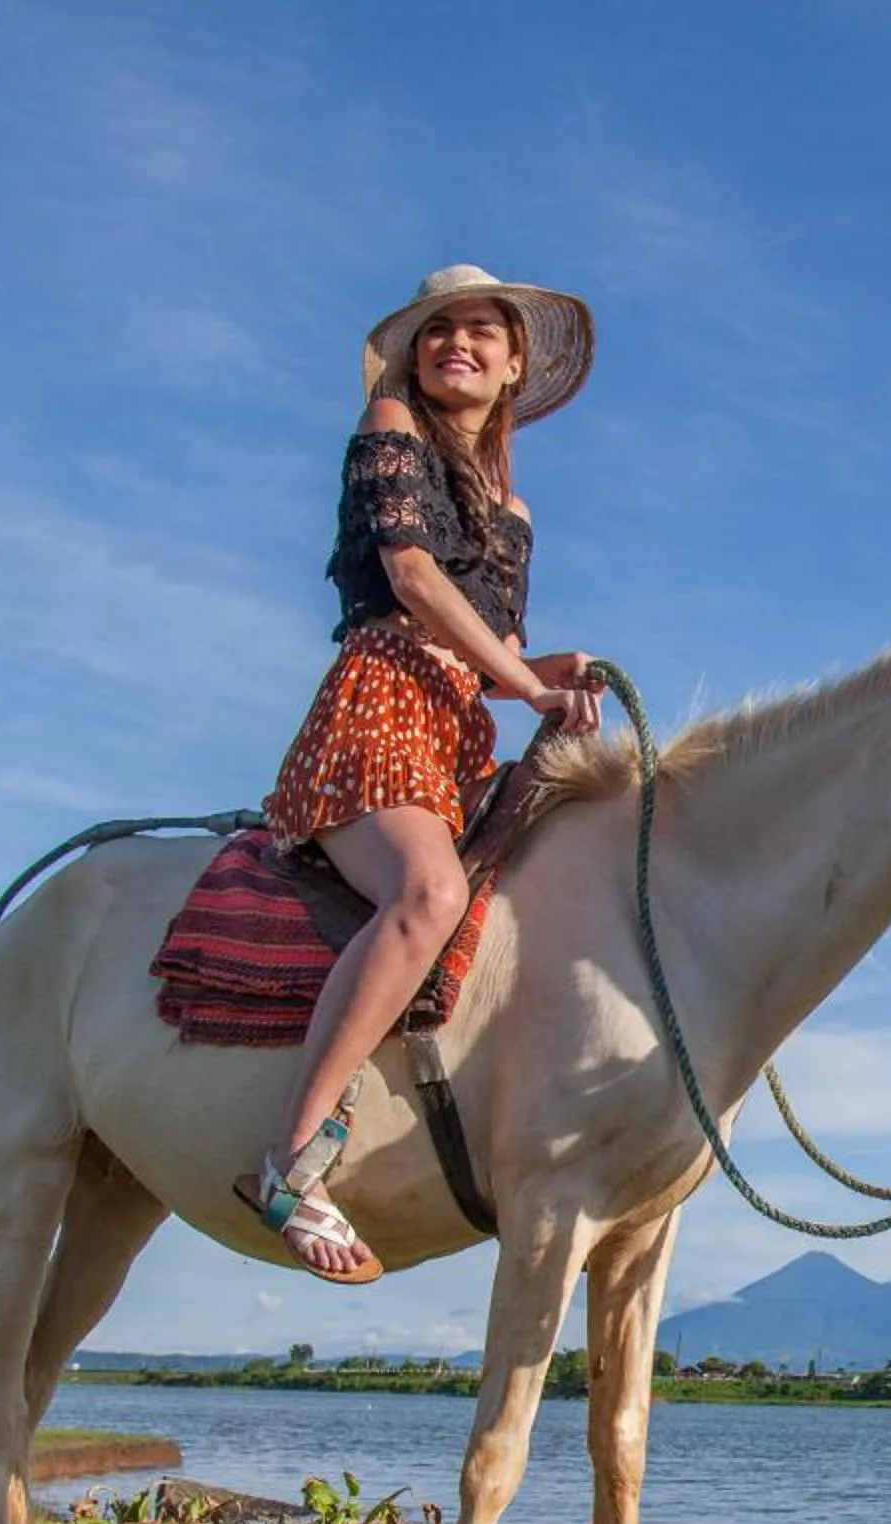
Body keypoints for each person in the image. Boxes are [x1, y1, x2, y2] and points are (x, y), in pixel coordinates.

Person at [241, 265, 604, 1282]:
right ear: (414, 351)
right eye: (440, 328)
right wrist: (523, 682)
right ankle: (289, 1157)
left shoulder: (513, 507)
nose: (462, 343)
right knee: (430, 889)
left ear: (515, 363)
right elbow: (410, 578)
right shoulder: (389, 422)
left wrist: (544, 671)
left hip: (455, 730)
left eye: (485, 331)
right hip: (380, 705)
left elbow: (499, 644)